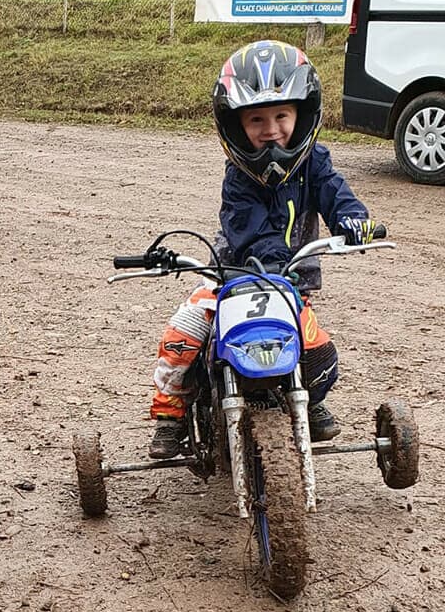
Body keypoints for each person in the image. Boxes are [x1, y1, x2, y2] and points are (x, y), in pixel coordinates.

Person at [149, 39, 378, 459]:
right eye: (256, 119)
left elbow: (334, 192)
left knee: (319, 353)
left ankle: (307, 398)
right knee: (183, 332)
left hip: (290, 287)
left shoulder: (315, 163)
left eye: (281, 115)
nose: (270, 129)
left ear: (302, 115)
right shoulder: (238, 176)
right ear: (236, 125)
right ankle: (171, 415)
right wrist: (264, 262)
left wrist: (352, 219)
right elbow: (246, 229)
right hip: (231, 281)